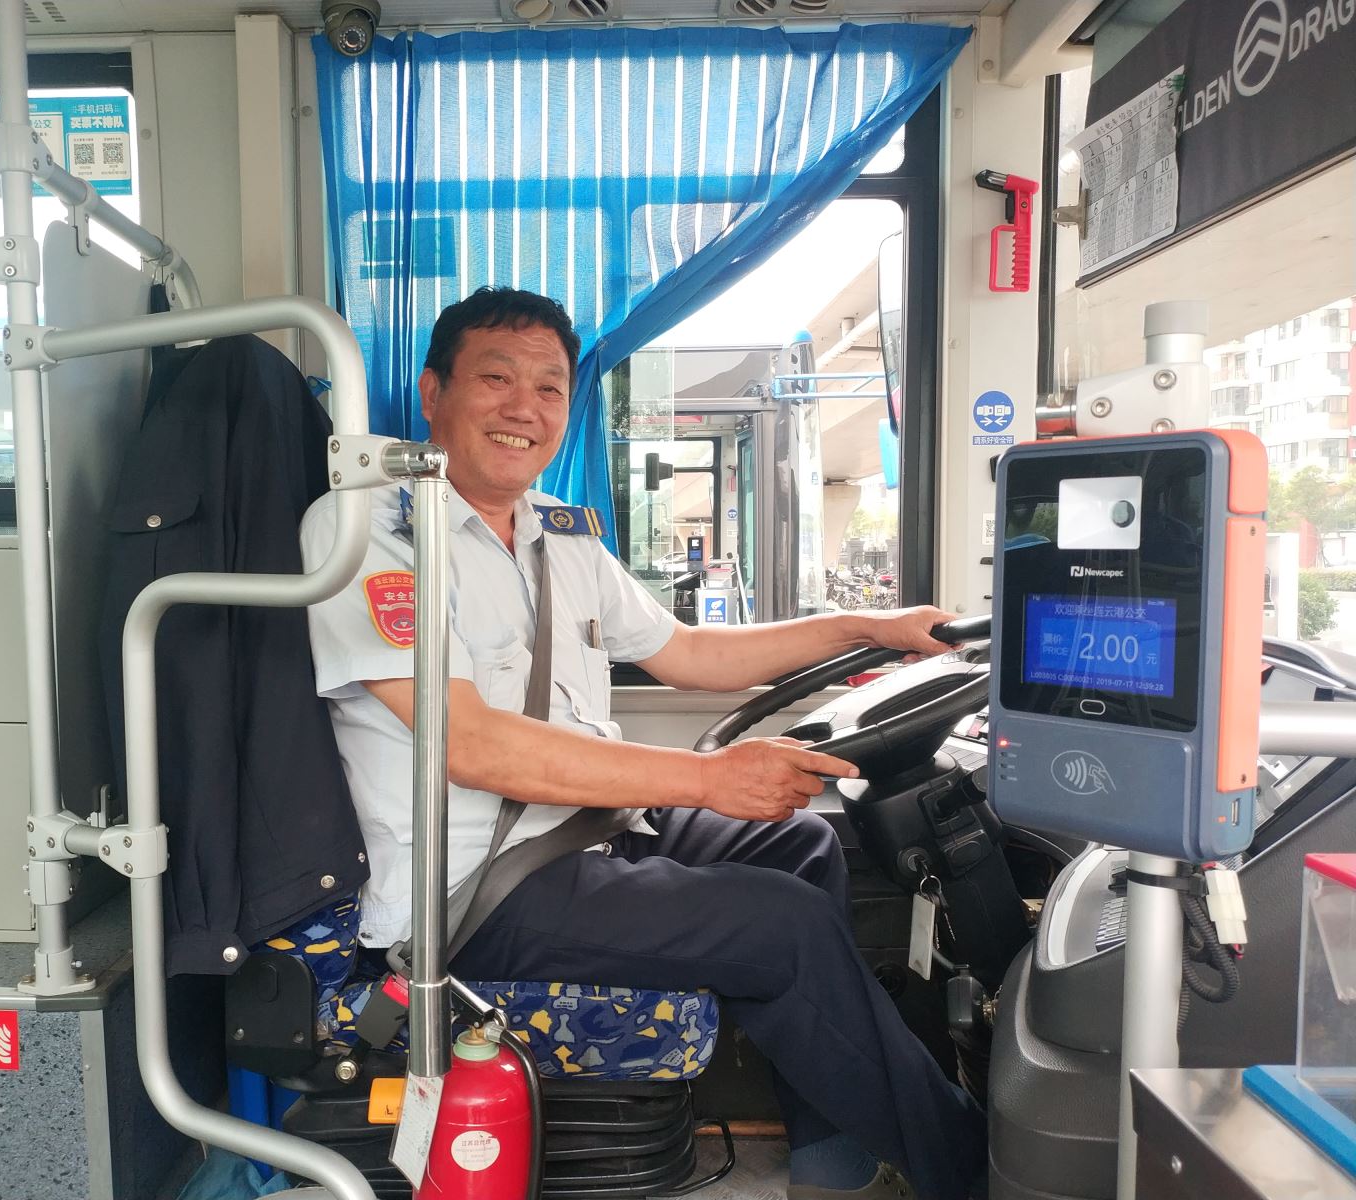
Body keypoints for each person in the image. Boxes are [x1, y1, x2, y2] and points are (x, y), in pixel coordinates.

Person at [300, 287, 986, 1200]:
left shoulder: (560, 533)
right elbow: (472, 746)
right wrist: (706, 779)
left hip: (588, 834)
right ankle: (974, 1174)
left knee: (800, 842)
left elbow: (689, 653)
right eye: (497, 379)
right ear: (433, 393)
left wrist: (870, 627)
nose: (525, 407)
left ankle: (827, 1149)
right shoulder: (369, 528)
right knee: (780, 928)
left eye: (550, 388)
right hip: (475, 890)